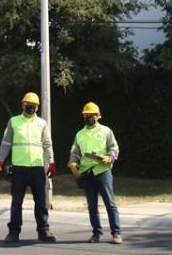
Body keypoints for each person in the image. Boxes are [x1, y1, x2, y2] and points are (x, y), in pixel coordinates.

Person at [0, 92, 57, 244]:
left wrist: (52, 162)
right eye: (28, 104)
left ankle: (43, 231)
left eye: (34, 105)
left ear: (37, 107)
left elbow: (47, 144)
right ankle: (13, 232)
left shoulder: (42, 123)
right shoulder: (14, 122)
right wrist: (0, 160)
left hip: (37, 168)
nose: (31, 107)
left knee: (41, 202)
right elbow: (6, 142)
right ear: (22, 105)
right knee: (17, 202)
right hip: (19, 169)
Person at [68, 102, 122, 244]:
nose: (88, 117)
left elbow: (114, 148)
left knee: (110, 203)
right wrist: (73, 163)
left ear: (98, 116)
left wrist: (109, 157)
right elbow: (75, 152)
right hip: (87, 173)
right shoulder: (80, 134)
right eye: (86, 115)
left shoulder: (106, 131)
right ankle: (96, 233)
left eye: (91, 115)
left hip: (103, 171)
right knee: (92, 205)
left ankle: (116, 233)